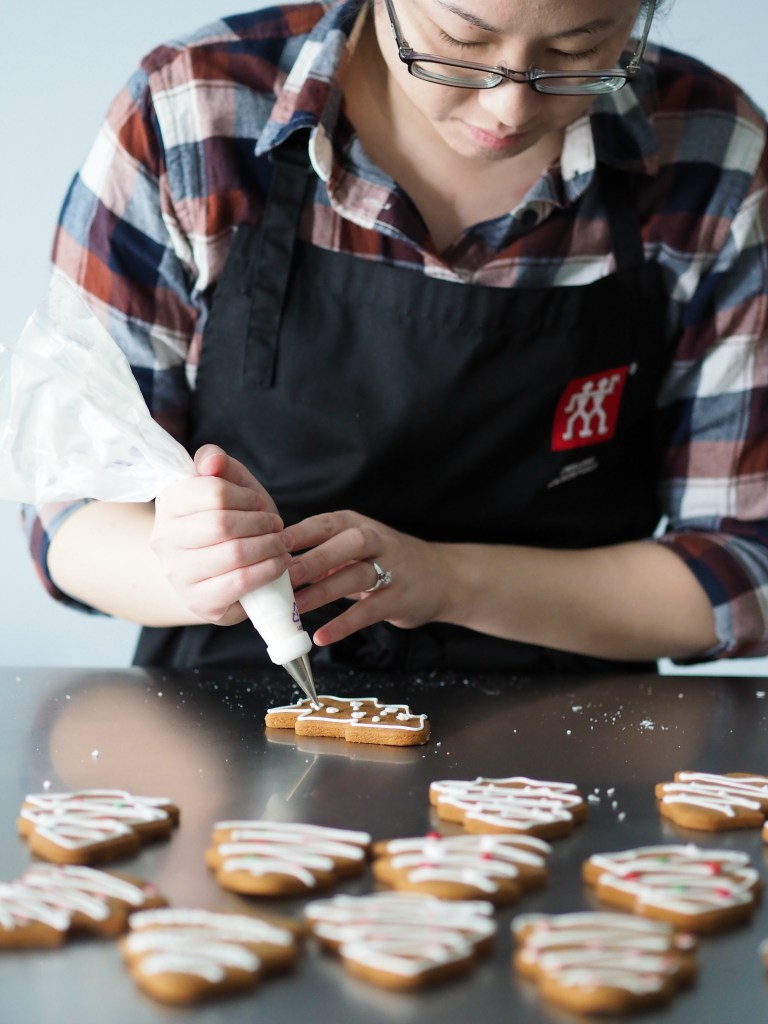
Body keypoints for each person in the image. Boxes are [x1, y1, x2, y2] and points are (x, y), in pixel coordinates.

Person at [25, 0, 768, 675]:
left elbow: (744, 561)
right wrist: (189, 571)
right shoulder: (194, 111)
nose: (508, 105)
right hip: (226, 699)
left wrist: (442, 579)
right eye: (460, 40)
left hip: (567, 709)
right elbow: (69, 513)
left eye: (577, 53)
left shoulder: (709, 154)